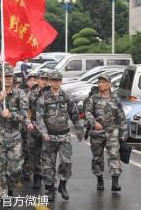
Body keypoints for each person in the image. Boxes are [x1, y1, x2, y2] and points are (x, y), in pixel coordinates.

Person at [36, 71, 84, 201]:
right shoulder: (44, 98)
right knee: (48, 164)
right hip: (49, 136)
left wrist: (80, 131)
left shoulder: (66, 97)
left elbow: (74, 114)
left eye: (58, 80)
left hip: (64, 135)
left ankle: (62, 185)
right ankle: (50, 188)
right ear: (50, 82)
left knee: (66, 162)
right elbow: (39, 118)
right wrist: (44, 133)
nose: (56, 82)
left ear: (61, 82)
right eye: (53, 80)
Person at [0, 64, 28, 198]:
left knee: (15, 169)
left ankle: (9, 187)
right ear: (1, 79)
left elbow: (25, 116)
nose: (8, 79)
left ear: (13, 78)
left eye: (10, 77)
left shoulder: (20, 93)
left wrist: (11, 115)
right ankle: (0, 196)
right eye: (5, 77)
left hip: (14, 137)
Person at [84, 73, 128, 192]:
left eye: (103, 82)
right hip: (97, 133)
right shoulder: (93, 98)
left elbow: (121, 117)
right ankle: (99, 180)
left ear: (109, 84)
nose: (101, 84)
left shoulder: (115, 99)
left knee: (114, 156)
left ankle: (115, 182)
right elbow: (87, 113)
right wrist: (94, 123)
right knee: (97, 157)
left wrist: (124, 134)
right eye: (99, 82)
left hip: (112, 132)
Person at [26, 70, 50, 190]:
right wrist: (28, 122)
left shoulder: (52, 92)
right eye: (41, 79)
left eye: (46, 79)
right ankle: (36, 176)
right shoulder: (31, 93)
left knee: (47, 154)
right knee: (33, 152)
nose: (43, 81)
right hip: (34, 126)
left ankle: (47, 179)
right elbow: (27, 109)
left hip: (48, 127)